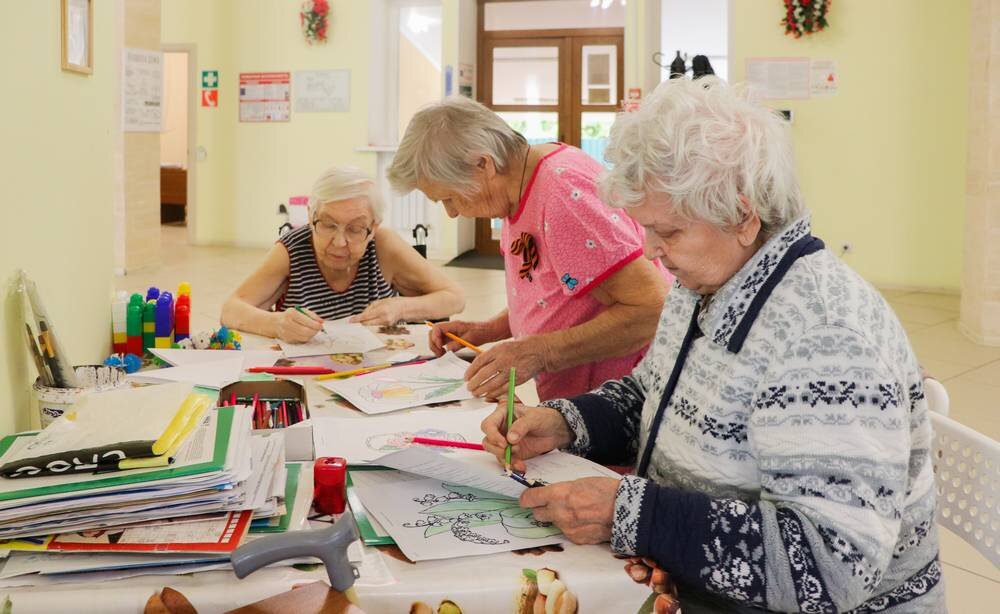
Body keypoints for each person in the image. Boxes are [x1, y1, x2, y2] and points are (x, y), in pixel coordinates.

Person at [481, 78, 942, 612]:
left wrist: (633, 513)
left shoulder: (826, 339)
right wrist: (566, 423)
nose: (651, 249)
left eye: (668, 232)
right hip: (688, 585)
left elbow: (827, 569)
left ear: (743, 216)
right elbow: (651, 394)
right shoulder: (706, 281)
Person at [387, 97, 671, 401]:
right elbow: (558, 287)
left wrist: (539, 352)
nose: (452, 213)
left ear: (483, 165)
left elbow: (652, 308)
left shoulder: (562, 195)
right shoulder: (522, 184)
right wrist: (490, 329)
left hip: (619, 401)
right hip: (581, 398)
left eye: (450, 198)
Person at [222, 166, 464, 342]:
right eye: (327, 225)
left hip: (375, 374)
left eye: (355, 229)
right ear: (310, 216)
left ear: (373, 227)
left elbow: (455, 297)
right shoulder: (292, 250)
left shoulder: (383, 245)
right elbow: (231, 310)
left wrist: (400, 308)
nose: (339, 242)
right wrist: (277, 324)